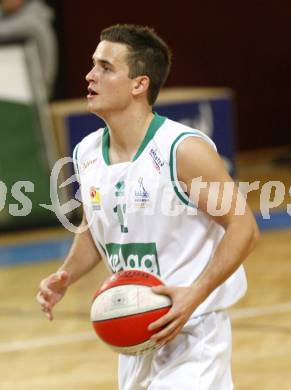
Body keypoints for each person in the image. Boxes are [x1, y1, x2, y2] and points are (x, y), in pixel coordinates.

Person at [36, 24, 259, 389]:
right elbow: (95, 228)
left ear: (139, 84)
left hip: (192, 335)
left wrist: (194, 294)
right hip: (135, 338)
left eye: (106, 67)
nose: (90, 75)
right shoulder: (86, 152)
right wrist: (66, 275)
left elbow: (244, 228)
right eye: (94, 64)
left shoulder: (182, 150)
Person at [0, 0, 58, 97]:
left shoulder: (36, 20)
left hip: (34, 95)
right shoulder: (4, 17)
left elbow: (48, 63)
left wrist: (42, 91)